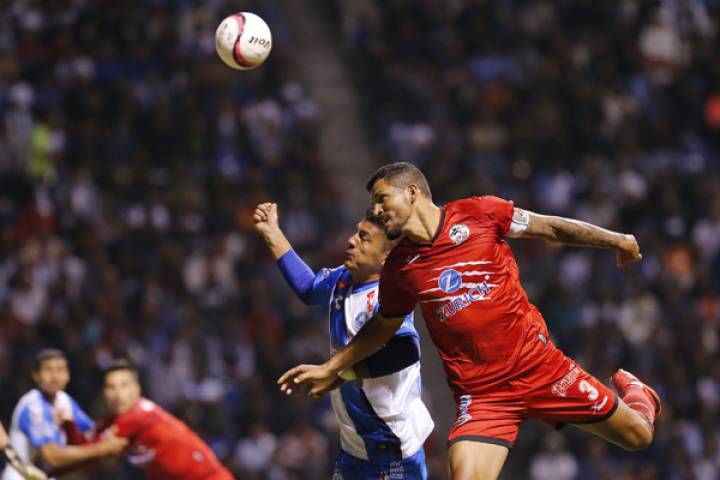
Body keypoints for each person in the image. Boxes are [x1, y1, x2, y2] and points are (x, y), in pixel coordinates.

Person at [279, 162, 662, 480]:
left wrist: (618, 240)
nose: (377, 210)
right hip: (483, 396)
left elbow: (550, 227)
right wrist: (332, 367)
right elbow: (382, 326)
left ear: (411, 192)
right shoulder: (400, 268)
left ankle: (640, 395)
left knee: (639, 437)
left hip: (541, 368)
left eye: (382, 199)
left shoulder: (480, 213)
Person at [254, 202, 434, 480]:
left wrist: (338, 373)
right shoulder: (344, 279)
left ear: (386, 256)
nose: (350, 241)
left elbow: (406, 350)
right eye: (355, 233)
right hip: (355, 450)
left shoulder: (389, 298)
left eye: (364, 238)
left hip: (392, 453)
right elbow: (309, 288)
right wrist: (272, 233)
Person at [60, 360, 233, 480]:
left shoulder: (136, 416)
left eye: (124, 386)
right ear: (103, 393)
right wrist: (68, 423)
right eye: (111, 387)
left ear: (137, 389)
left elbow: (86, 456)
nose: (118, 394)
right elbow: (83, 448)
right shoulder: (114, 420)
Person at [1, 349, 128, 480]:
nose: (55, 376)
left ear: (68, 375)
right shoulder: (33, 406)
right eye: (48, 370)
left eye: (60, 369)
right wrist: (102, 449)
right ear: (36, 375)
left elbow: (92, 433)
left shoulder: (64, 400)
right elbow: (52, 458)